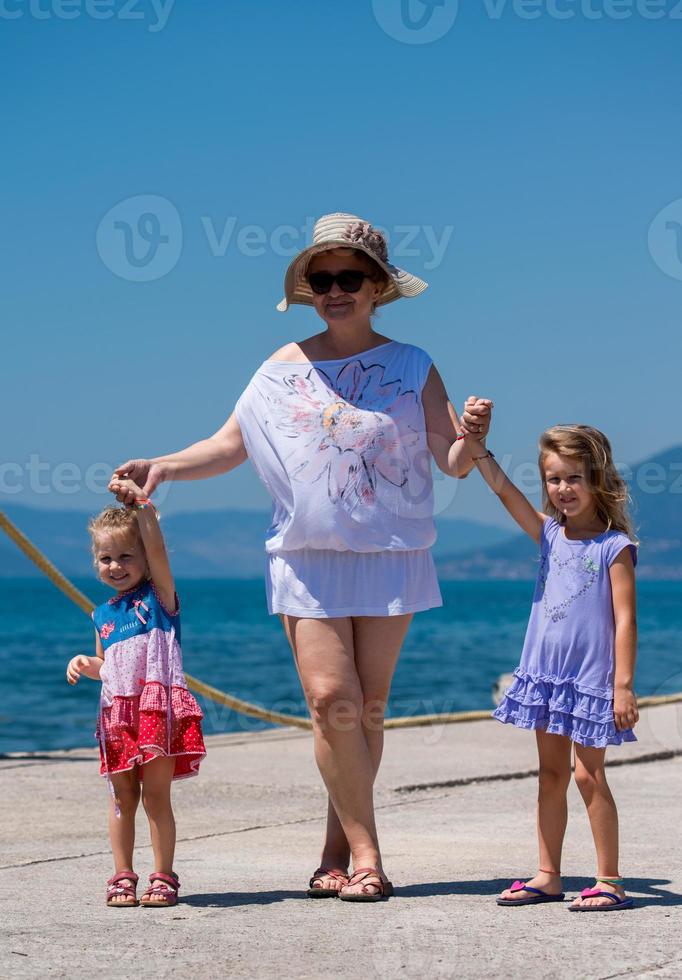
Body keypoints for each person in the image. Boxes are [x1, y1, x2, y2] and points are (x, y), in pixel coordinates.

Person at [111, 212, 492, 901]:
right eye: (322, 279)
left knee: (364, 712)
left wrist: (473, 437)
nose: (335, 289)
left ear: (378, 286)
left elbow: (453, 460)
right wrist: (161, 465)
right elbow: (230, 444)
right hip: (306, 556)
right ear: (309, 288)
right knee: (329, 702)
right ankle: (370, 853)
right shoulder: (279, 370)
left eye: (350, 277)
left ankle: (334, 850)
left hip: (391, 552)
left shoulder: (413, 364)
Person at [459, 416, 638, 911]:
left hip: (590, 681)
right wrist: (477, 447)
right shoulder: (549, 536)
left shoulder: (614, 548)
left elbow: (625, 623)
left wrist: (623, 686)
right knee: (551, 774)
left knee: (588, 775)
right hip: (546, 678)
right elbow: (502, 490)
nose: (563, 489)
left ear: (597, 480)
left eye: (574, 477)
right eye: (554, 479)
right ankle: (548, 875)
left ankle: (609, 880)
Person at [66, 478, 206, 908]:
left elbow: (159, 551)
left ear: (145, 557)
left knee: (155, 796)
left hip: (154, 708)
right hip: (116, 715)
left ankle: (163, 876)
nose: (116, 566)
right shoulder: (102, 615)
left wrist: (142, 504)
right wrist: (87, 666)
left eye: (127, 556)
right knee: (122, 796)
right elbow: (108, 667)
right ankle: (122, 874)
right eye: (106, 558)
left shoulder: (160, 598)